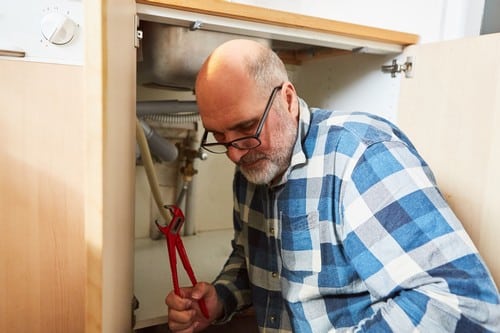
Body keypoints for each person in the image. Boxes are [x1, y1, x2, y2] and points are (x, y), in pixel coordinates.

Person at [165, 39, 500, 332]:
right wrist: (220, 298)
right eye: (221, 138)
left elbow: (460, 304)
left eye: (247, 127)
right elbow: (253, 255)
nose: (235, 155)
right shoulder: (254, 167)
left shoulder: (361, 156)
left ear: (288, 99)